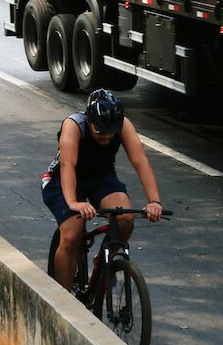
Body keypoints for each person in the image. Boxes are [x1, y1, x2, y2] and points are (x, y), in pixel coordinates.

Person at [42, 88, 162, 291]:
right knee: (72, 235)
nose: (107, 136)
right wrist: (73, 202)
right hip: (62, 179)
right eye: (100, 131)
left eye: (111, 130)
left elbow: (140, 161)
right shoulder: (74, 125)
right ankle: (61, 302)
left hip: (100, 177)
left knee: (124, 219)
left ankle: (106, 263)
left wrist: (154, 201)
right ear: (89, 120)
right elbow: (67, 165)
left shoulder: (123, 125)